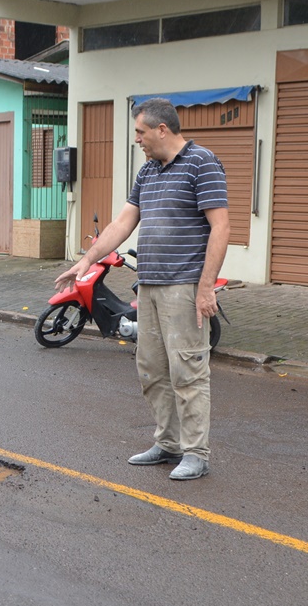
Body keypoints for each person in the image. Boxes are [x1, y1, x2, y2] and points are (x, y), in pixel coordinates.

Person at [55, 97, 229, 480]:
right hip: (149, 286)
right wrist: (87, 260)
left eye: (140, 132)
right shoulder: (148, 171)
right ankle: (167, 443)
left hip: (184, 286)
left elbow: (221, 227)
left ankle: (196, 453)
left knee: (188, 371)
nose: (137, 139)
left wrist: (205, 288)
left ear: (162, 129)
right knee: (151, 368)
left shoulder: (203, 163)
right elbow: (122, 223)